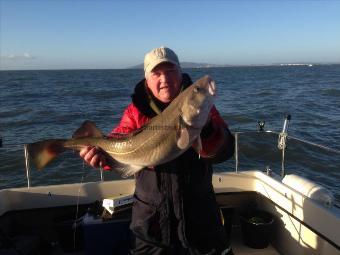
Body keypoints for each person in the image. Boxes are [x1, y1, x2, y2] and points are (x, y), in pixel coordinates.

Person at [80, 46, 235, 255]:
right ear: (147, 79)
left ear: (180, 73)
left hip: (199, 216)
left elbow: (224, 151)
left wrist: (206, 129)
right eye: (157, 73)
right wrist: (101, 157)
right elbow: (118, 143)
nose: (165, 79)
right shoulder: (135, 112)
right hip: (150, 222)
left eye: (171, 71)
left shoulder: (200, 107)